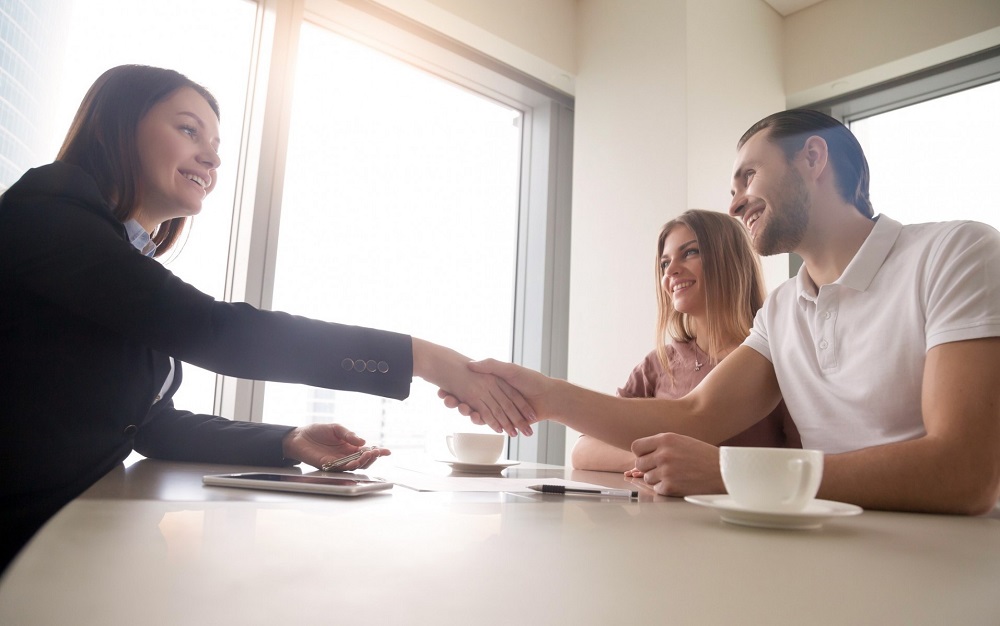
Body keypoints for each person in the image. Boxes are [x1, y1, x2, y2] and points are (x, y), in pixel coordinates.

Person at [0, 65, 534, 571]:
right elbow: (218, 332)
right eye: (189, 131)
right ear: (117, 125)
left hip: (69, 542)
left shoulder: (116, 258)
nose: (210, 160)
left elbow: (150, 422)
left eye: (215, 148)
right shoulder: (48, 214)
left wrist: (288, 439)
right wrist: (426, 358)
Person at [456, 109, 1000, 515]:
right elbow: (696, 416)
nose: (735, 202)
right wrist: (545, 395)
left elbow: (965, 474)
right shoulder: (784, 310)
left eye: (748, 178)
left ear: (813, 158)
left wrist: (731, 473)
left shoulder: (956, 253)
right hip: (816, 547)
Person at [571, 209, 799, 479]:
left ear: (729, 260)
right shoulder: (657, 365)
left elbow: (802, 463)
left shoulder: (774, 361)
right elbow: (582, 449)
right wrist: (654, 460)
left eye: (690, 252)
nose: (672, 272)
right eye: (665, 264)